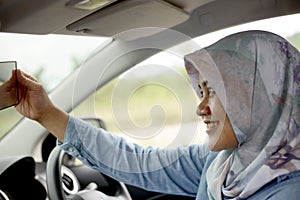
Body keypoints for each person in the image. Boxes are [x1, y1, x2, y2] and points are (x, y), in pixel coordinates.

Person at [14, 30, 300, 199]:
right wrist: (47, 114)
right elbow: (142, 162)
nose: (201, 108)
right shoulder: (224, 163)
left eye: (214, 91)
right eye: (201, 92)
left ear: (263, 95)